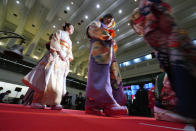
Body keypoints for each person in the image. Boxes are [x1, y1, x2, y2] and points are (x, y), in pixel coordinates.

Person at [130, 0, 196, 123]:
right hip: (173, 56)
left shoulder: (150, 14)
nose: (138, 28)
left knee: (183, 80)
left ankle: (188, 110)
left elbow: (155, 8)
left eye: (136, 23)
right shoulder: (149, 33)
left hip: (176, 49)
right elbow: (159, 50)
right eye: (136, 28)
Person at [22, 23, 74, 110]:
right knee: (46, 77)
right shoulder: (59, 32)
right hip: (55, 56)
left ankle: (54, 102)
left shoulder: (70, 41)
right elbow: (55, 42)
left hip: (63, 60)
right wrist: (60, 53)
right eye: (72, 27)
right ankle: (37, 101)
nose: (73, 29)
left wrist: (67, 58)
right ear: (67, 27)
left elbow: (70, 52)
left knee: (58, 81)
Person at [85, 14, 128, 116]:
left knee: (114, 78)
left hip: (110, 56)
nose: (109, 20)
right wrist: (106, 37)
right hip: (99, 52)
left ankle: (92, 105)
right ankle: (108, 103)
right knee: (99, 76)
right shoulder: (97, 24)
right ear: (103, 19)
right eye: (107, 17)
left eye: (111, 19)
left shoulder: (111, 34)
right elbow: (90, 30)